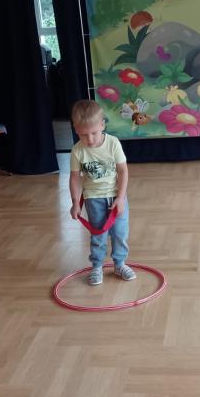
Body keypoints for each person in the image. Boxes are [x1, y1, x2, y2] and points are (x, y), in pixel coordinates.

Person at [68, 100, 135, 285]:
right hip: (93, 198)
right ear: (76, 129)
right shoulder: (77, 150)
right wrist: (75, 203)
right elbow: (74, 178)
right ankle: (97, 266)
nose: (90, 139)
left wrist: (120, 198)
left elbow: (123, 171)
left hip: (116, 197)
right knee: (98, 235)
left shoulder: (113, 143)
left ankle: (119, 264)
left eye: (94, 133)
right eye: (83, 135)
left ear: (102, 125)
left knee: (120, 233)